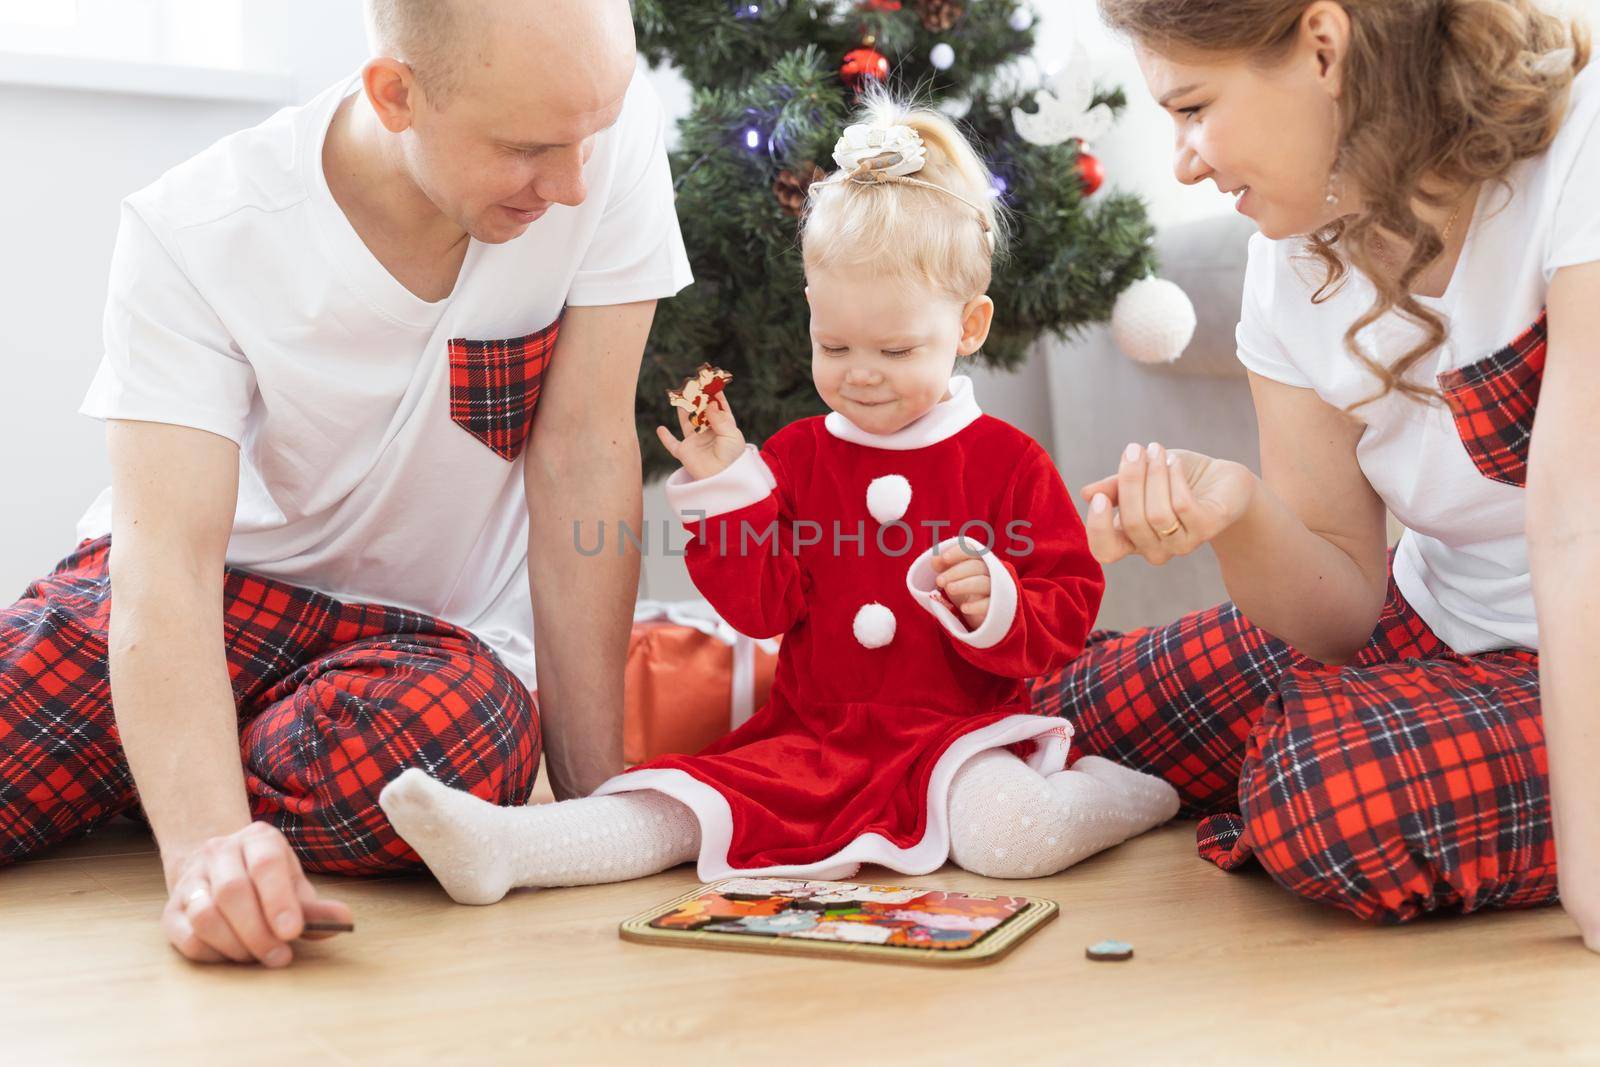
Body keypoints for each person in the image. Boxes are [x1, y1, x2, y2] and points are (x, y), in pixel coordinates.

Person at [0, 0, 691, 968]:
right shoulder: (195, 232)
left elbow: (583, 452)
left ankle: (153, 755)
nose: (574, 184)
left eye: (594, 133)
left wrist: (593, 800)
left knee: (477, 742)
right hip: (207, 599)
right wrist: (205, 852)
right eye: (530, 148)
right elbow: (167, 569)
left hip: (416, 649)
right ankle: (170, 752)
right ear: (395, 95)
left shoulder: (595, 144)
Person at [376, 99, 1180, 907]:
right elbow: (762, 610)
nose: (860, 372)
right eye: (833, 346)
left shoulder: (1007, 462)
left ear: (969, 325)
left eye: (896, 350)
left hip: (955, 743)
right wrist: (731, 490)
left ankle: (1130, 793)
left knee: (1010, 838)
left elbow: (1067, 610)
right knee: (675, 806)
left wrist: (998, 600)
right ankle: (506, 844)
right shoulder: (794, 459)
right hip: (812, 740)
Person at [1029, 0, 1600, 946]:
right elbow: (1347, 612)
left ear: (1324, 48)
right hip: (1441, 629)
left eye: (1193, 107)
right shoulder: (1289, 262)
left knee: (1326, 790)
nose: (1185, 158)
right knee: (1063, 712)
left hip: (1581, 647)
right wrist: (1242, 509)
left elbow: (1579, 526)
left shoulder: (1580, 151)